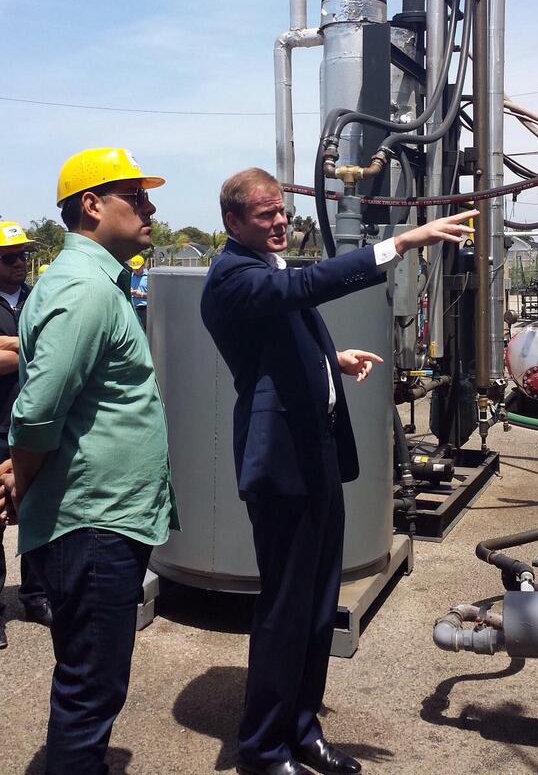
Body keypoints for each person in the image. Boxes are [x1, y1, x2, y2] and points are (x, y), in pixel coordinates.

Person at [201, 167, 476, 775]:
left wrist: (332, 358)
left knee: (319, 602)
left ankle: (302, 728)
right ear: (233, 222)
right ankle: (263, 748)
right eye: (266, 214)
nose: (280, 221)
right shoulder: (232, 276)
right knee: (286, 607)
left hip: (316, 453)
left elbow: (284, 329)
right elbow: (303, 289)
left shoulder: (267, 266)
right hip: (282, 464)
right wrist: (399, 243)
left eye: (281, 210)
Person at [1, 147, 179, 775]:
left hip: (100, 517)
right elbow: (39, 409)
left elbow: (60, 402)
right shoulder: (83, 289)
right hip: (94, 524)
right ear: (92, 205)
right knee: (90, 688)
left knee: (92, 680)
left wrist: (19, 467)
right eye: (137, 195)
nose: (150, 208)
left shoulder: (96, 283)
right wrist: (23, 476)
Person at [0, 220, 51, 649]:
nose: (20, 263)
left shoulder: (38, 298)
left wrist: (10, 344)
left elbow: (55, 350)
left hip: (31, 426)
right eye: (9, 258)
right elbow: (45, 351)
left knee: (35, 513)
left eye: (23, 255)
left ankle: (36, 596)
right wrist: (30, 346)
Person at [129, 254, 148, 329]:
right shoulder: (130, 277)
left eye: (138, 268)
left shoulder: (150, 277)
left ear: (143, 266)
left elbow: (155, 296)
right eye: (134, 268)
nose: (136, 270)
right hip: (132, 308)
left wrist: (141, 295)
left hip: (144, 309)